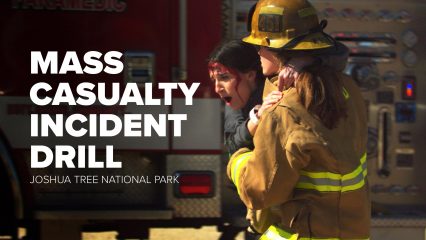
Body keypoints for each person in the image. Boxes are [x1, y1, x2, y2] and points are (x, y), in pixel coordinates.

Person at [226, 0, 370, 239]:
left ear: (280, 50)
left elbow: (261, 191)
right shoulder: (347, 89)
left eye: (262, 46)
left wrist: (238, 160)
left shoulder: (283, 109)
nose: (258, 52)